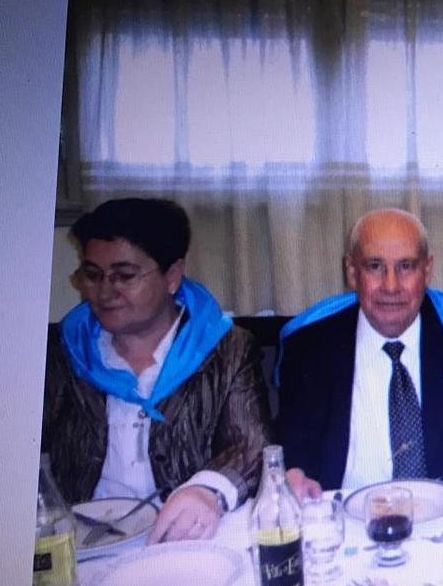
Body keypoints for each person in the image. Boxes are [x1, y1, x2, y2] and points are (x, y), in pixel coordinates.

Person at [42, 198, 274, 542]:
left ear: (172, 276)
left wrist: (207, 491)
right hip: (80, 544)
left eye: (124, 276)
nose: (105, 292)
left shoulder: (224, 348)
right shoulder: (64, 349)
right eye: (92, 275)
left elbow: (250, 445)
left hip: (186, 536)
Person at [277, 208, 443, 492]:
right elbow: (291, 451)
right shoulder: (311, 348)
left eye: (406, 266)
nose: (391, 285)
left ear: (427, 270)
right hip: (347, 523)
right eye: (375, 266)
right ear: (351, 272)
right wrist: (294, 475)